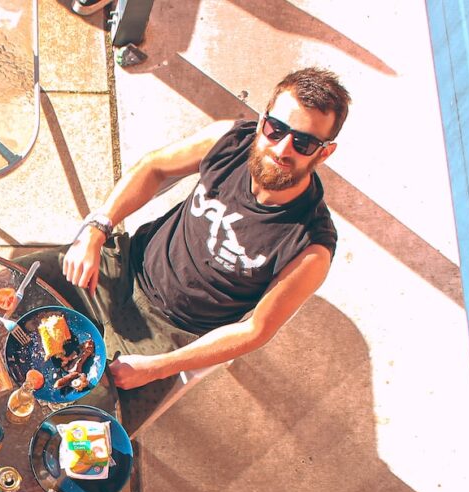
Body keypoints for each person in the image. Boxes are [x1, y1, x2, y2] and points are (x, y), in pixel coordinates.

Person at [18, 67, 350, 429]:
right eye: (276, 129)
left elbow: (256, 329)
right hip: (120, 266)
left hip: (168, 336)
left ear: (325, 152)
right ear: (262, 122)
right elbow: (155, 168)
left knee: (76, 435)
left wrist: (162, 366)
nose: (283, 149)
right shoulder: (229, 139)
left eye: (303, 143)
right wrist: (98, 229)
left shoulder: (311, 247)